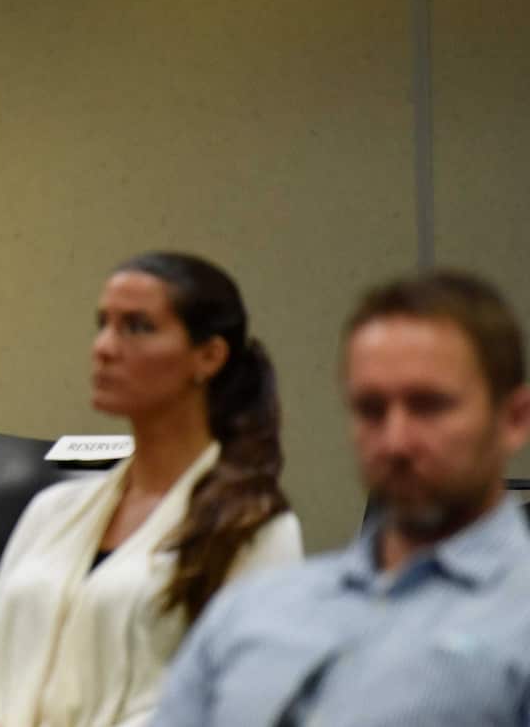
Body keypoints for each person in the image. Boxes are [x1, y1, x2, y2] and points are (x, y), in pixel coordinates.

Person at [153, 269, 530, 726]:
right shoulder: (251, 609)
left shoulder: (516, 615)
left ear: (514, 418)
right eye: (371, 410)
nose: (396, 441)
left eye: (429, 406)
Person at [0, 252, 303, 727]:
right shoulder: (52, 511)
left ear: (209, 355)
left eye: (137, 327)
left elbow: (245, 704)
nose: (105, 347)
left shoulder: (252, 526)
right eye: (103, 324)